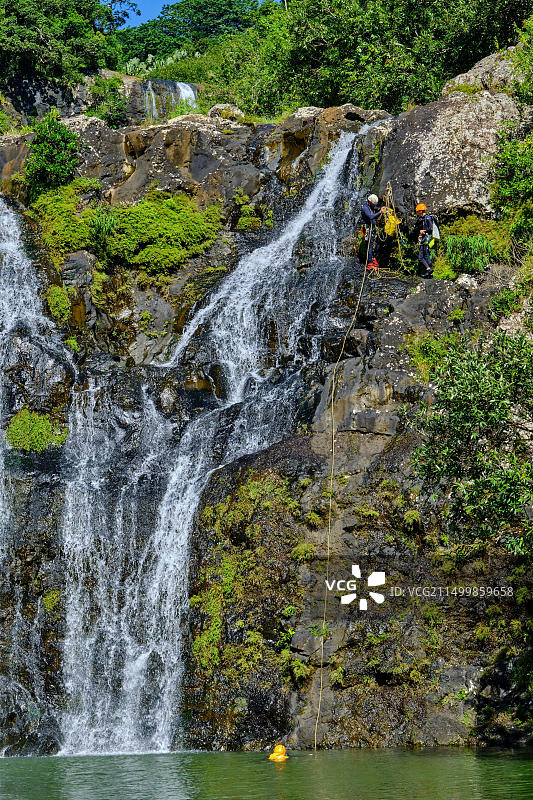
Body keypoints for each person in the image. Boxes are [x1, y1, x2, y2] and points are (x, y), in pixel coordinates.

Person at [360, 194, 385, 270]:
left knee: (378, 241)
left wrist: (382, 207)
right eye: (373, 204)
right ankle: (370, 262)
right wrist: (380, 212)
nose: (374, 206)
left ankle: (373, 257)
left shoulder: (371, 207)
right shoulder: (365, 208)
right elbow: (371, 217)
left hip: (372, 228)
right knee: (370, 245)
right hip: (367, 229)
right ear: (370, 202)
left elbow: (377, 208)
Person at [410, 203, 434, 278]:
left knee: (426, 255)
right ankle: (429, 270)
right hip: (423, 239)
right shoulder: (422, 219)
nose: (417, 213)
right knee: (420, 257)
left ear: (421, 211)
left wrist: (424, 231)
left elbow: (431, 228)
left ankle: (429, 271)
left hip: (427, 239)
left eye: (417, 211)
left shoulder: (427, 218)